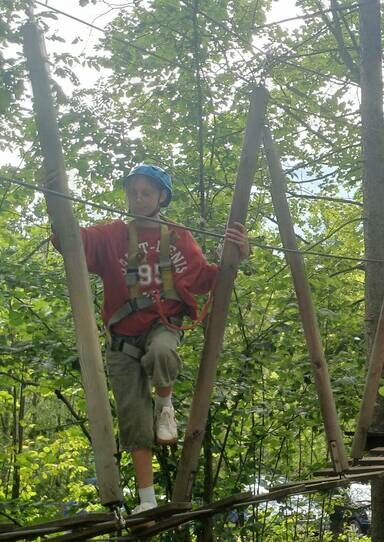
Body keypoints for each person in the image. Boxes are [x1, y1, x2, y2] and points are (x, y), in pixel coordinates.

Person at [51, 164, 250, 514]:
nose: (138, 198)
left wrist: (239, 255)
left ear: (161, 197)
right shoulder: (112, 235)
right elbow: (71, 240)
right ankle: (147, 501)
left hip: (163, 324)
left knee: (162, 352)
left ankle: (165, 406)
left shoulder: (177, 237)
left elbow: (205, 278)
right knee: (132, 417)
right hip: (122, 338)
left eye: (146, 192)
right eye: (133, 192)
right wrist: (56, 206)